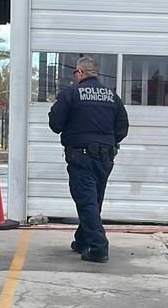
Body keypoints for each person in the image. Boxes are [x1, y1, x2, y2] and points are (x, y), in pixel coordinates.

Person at [49, 56, 129, 263]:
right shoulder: (112, 96)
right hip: (105, 157)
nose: (75, 76)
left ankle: (98, 248)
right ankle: (82, 240)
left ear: (80, 73)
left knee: (86, 201)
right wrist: (107, 141)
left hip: (80, 156)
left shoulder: (71, 94)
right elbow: (122, 127)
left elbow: (55, 124)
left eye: (75, 72)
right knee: (94, 200)